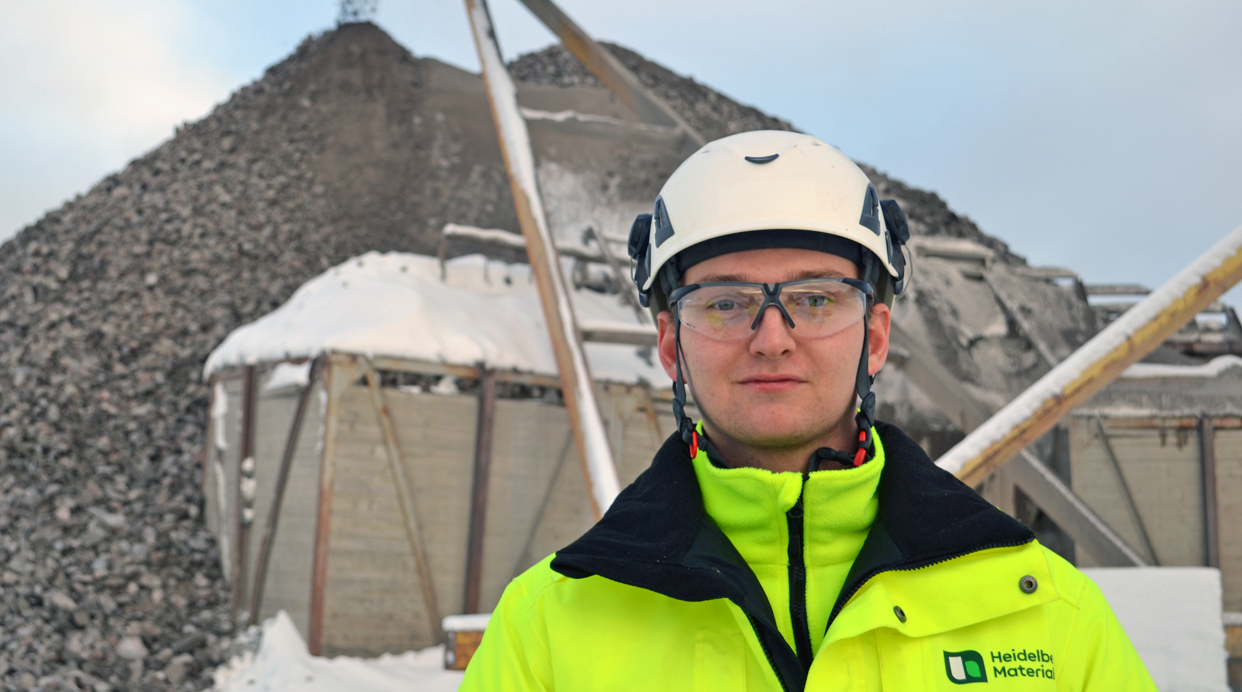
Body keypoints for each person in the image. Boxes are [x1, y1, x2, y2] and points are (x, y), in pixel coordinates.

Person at [459, 130, 1154, 691]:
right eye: (725, 302)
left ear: (875, 336)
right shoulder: (548, 629)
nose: (771, 337)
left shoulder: (1045, 612)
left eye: (815, 298)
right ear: (670, 344)